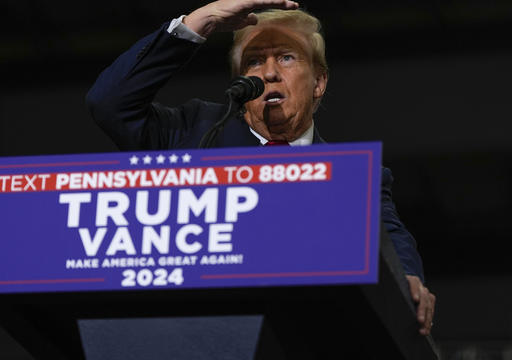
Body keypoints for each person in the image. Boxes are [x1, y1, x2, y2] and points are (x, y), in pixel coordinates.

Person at [86, 0, 435, 335]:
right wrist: (201, 20)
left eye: (286, 58)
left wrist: (406, 281)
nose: (269, 73)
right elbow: (109, 103)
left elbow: (391, 239)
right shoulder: (195, 131)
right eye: (254, 62)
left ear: (318, 82)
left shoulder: (349, 177)